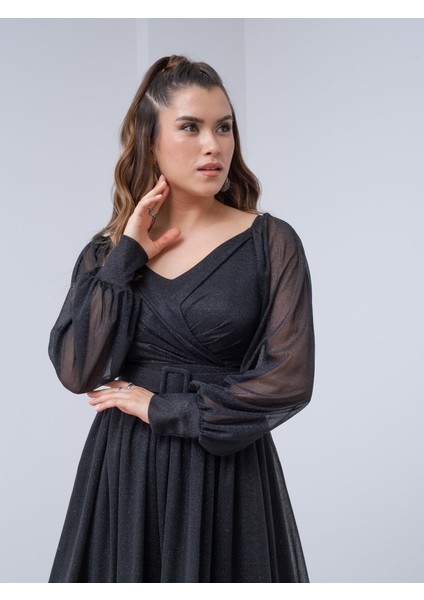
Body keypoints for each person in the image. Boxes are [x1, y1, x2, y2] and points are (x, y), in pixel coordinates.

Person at [48, 55, 315, 583]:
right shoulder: (107, 256)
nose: (213, 145)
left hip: (227, 469)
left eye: (224, 127)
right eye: (190, 127)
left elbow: (289, 380)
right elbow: (79, 371)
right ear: (151, 142)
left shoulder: (270, 241)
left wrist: (166, 408)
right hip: (126, 473)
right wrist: (126, 257)